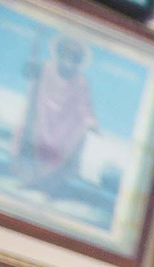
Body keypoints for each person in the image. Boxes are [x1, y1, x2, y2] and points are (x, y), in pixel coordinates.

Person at [10, 36, 95, 201]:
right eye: (66, 54)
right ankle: (29, 181)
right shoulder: (47, 68)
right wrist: (31, 68)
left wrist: (90, 122)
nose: (68, 59)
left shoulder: (80, 81)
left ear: (78, 60)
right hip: (42, 118)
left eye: (74, 56)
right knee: (32, 147)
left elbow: (84, 105)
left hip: (64, 125)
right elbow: (28, 73)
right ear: (60, 54)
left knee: (71, 144)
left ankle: (48, 188)